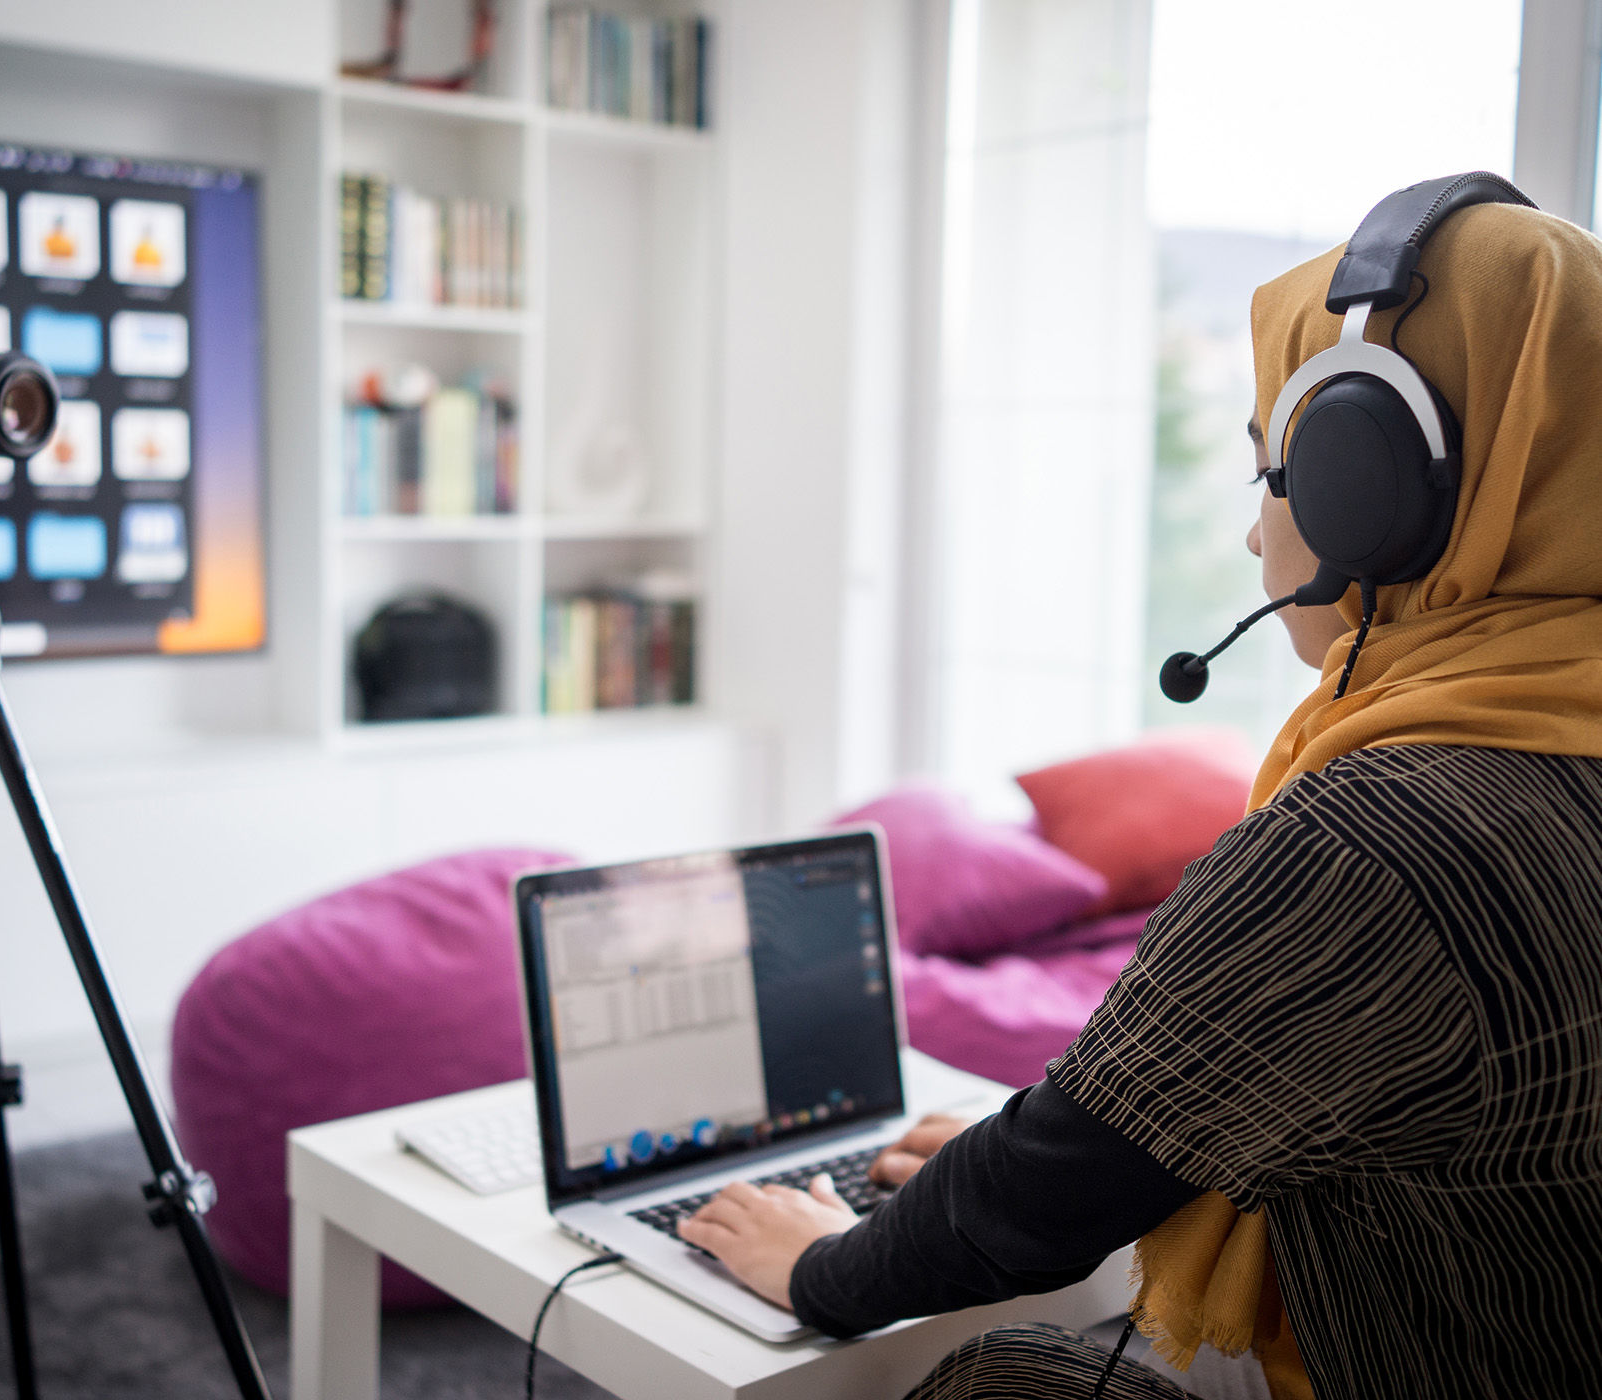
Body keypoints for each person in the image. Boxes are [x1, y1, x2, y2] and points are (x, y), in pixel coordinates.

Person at [678, 198, 1602, 1399]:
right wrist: (1050, 1144)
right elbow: (1157, 1115)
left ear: (1369, 500)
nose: (1250, 524)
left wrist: (815, 1265)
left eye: (1275, 466)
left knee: (1005, 1378)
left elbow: (1047, 1189)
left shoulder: (1374, 841)